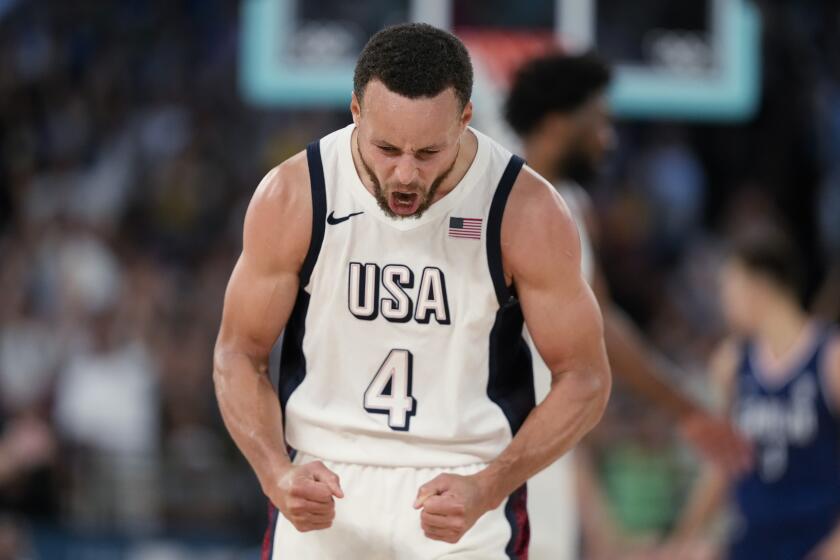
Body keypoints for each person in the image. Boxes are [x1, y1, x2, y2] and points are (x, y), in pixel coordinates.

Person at [213, 23, 611, 559]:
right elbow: (238, 353)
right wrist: (274, 473)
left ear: (465, 119)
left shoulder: (525, 209)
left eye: (427, 152)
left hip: (463, 484)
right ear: (355, 111)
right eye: (386, 148)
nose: (404, 173)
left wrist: (492, 485)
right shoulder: (296, 193)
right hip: (324, 478)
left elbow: (585, 378)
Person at [503, 51, 752, 558]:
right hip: (485, 436)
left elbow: (602, 325)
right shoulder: (497, 196)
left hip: (539, 445)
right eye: (598, 124)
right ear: (555, 124)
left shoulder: (571, 202)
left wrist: (683, 405)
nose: (608, 139)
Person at [669, 226, 840, 560]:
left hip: (817, 540)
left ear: (758, 284)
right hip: (752, 544)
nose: (723, 300)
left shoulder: (830, 359)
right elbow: (722, 464)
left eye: (728, 286)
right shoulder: (732, 363)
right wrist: (681, 539)